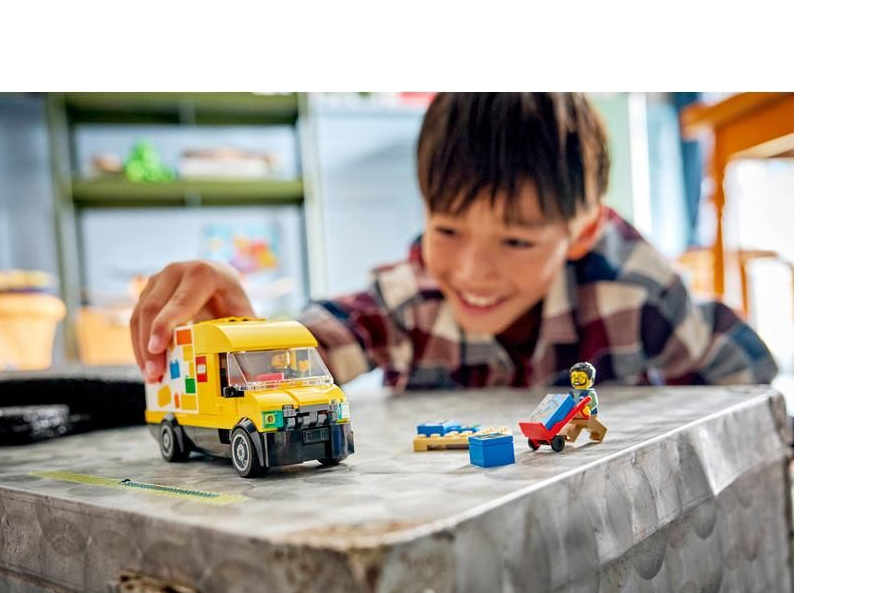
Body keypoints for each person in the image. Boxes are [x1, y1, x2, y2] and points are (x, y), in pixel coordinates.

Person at [131, 93, 777, 391]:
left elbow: (747, 373)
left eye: (516, 241)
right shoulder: (409, 301)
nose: (471, 270)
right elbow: (313, 348)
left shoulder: (635, 290)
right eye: (447, 229)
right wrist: (240, 335)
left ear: (581, 231)